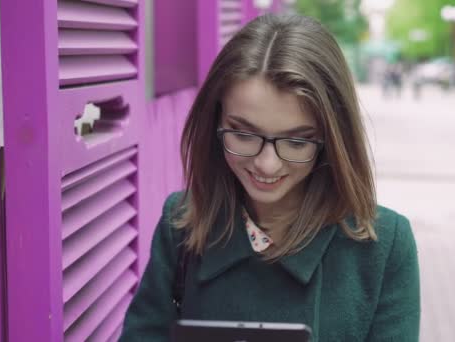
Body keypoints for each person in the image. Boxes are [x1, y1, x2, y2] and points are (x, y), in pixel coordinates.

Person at [120, 14, 420, 342]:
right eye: (243, 134)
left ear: (332, 139)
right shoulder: (182, 223)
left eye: (296, 141)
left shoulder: (384, 245)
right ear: (215, 121)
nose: (266, 164)